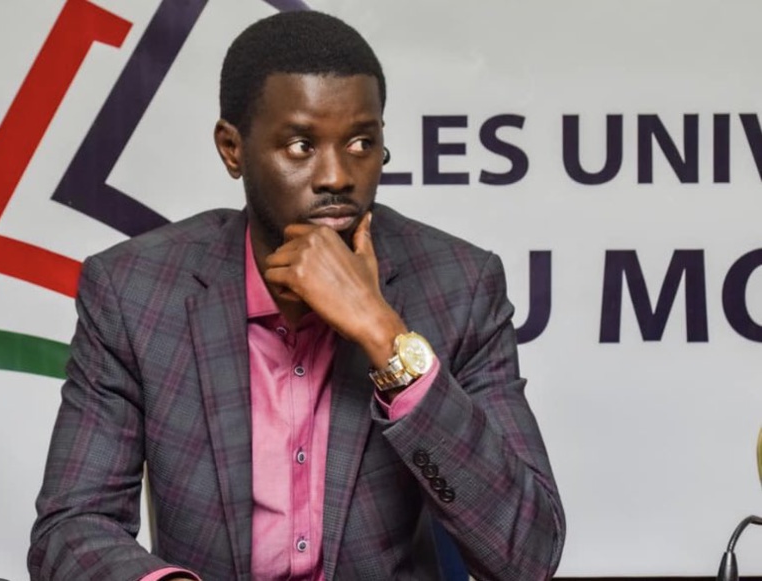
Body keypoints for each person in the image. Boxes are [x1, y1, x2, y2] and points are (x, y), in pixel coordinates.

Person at [28, 10, 565, 581]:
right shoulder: (136, 293)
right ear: (232, 148)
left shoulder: (459, 286)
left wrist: (383, 333)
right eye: (301, 145)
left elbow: (526, 557)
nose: (336, 176)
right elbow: (72, 528)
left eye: (361, 142)